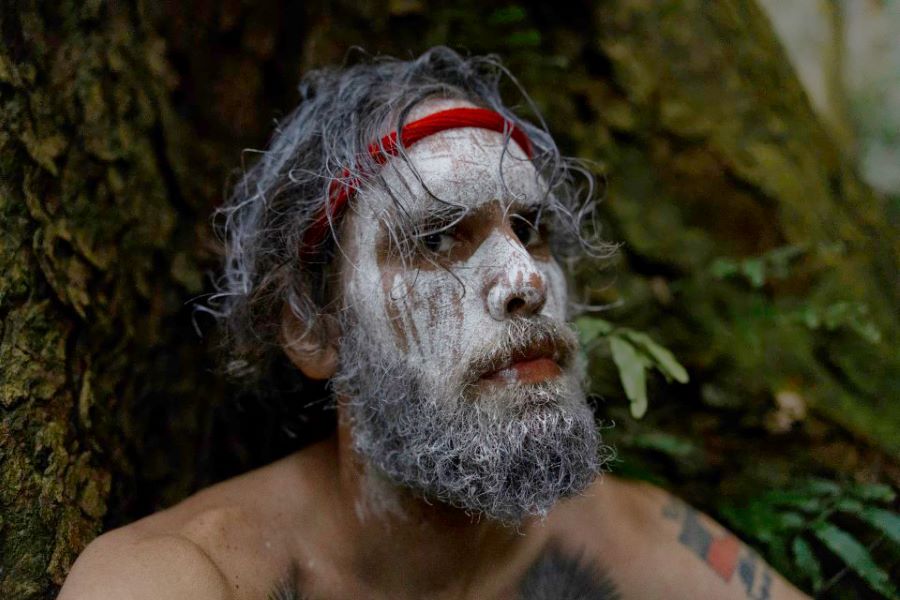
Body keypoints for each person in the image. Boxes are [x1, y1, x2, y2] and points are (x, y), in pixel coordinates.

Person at [60, 48, 808, 600]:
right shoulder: (176, 579)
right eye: (437, 238)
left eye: (533, 228)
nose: (524, 280)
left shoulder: (625, 540)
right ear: (314, 331)